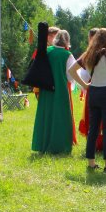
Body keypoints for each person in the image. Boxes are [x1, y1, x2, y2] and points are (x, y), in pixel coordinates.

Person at [68, 28, 106, 172]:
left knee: (93, 129)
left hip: (93, 92)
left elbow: (71, 70)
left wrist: (85, 85)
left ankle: (91, 163)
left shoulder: (89, 54)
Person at [31, 27, 77, 155]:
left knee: (46, 115)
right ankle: (60, 146)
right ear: (67, 41)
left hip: (46, 89)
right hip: (60, 89)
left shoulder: (47, 51)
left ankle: (43, 145)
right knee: (61, 117)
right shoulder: (67, 55)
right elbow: (70, 76)